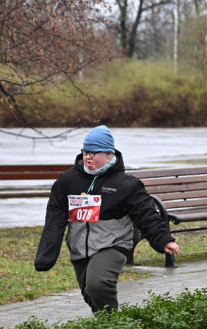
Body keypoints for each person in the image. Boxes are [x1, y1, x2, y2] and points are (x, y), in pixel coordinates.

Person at [34, 125, 180, 312]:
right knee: (90, 294)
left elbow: (146, 214)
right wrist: (45, 257)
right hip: (80, 247)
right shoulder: (67, 181)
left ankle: (113, 326)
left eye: (94, 153)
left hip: (113, 244)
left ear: (109, 154)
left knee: (98, 284)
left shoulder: (127, 184)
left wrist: (163, 240)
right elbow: (55, 218)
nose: (88, 157)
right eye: (85, 152)